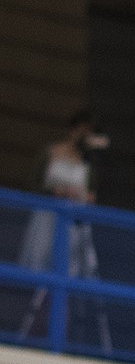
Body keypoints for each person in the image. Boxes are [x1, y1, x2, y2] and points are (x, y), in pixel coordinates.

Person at [20, 110, 111, 349]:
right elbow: (35, 184)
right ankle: (31, 335)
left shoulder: (87, 163)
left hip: (73, 230)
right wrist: (56, 192)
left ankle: (58, 336)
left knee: (66, 282)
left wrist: (87, 199)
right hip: (48, 223)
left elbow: (90, 193)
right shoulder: (53, 152)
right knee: (41, 280)